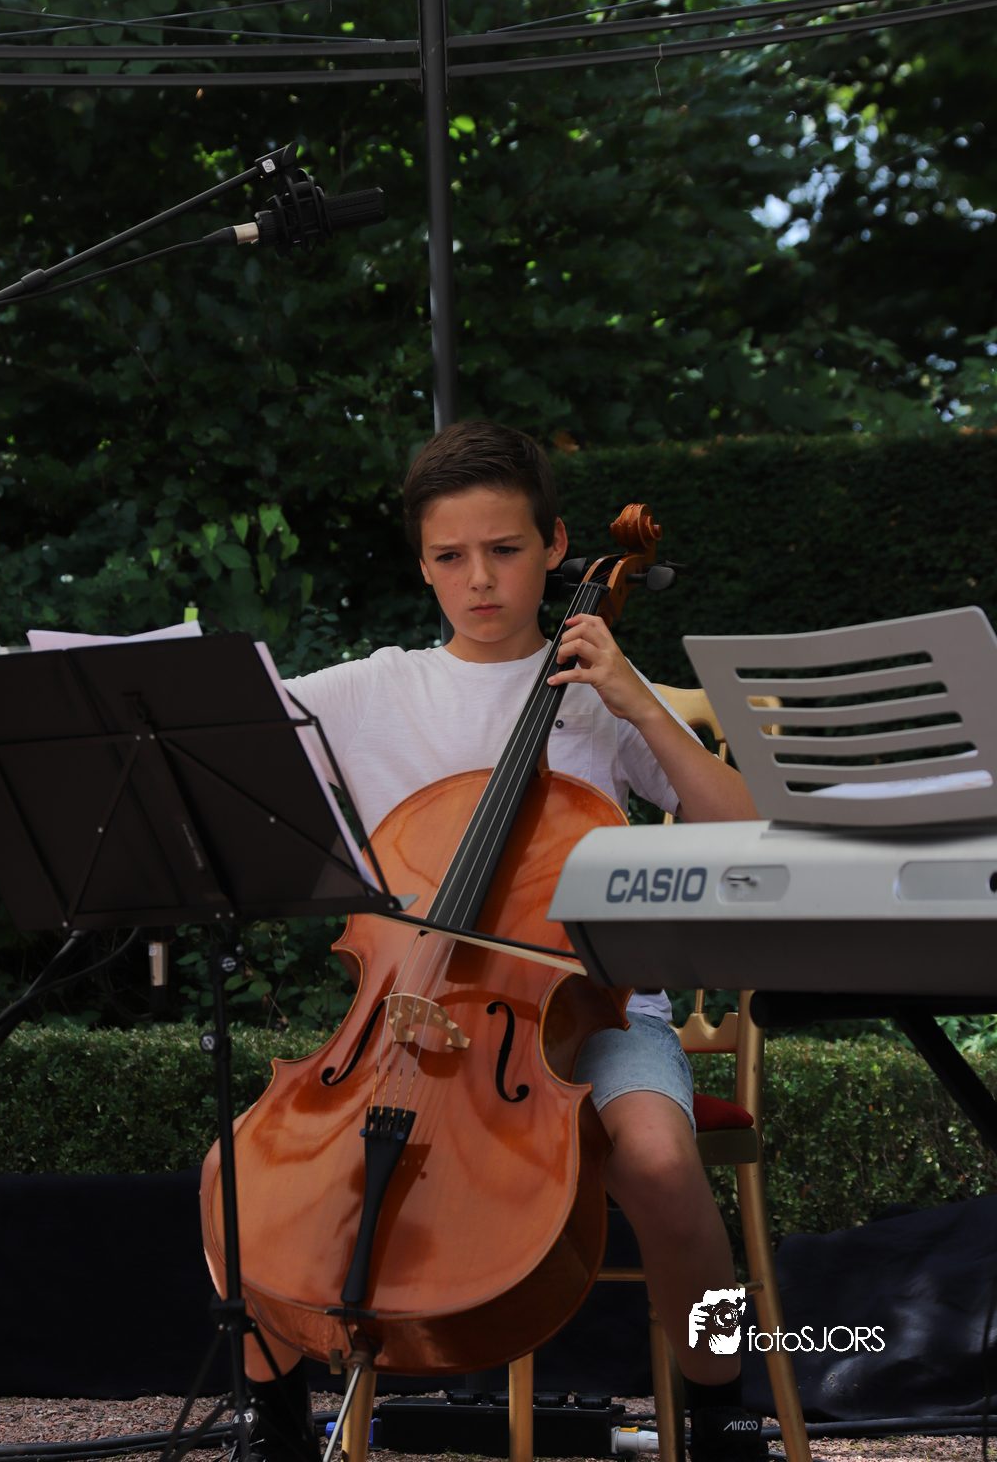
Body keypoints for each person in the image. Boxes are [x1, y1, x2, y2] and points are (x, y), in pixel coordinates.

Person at [252, 420, 765, 1462]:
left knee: (663, 1166)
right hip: (403, 1018)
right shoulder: (368, 689)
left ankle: (721, 1410)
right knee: (260, 1173)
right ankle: (272, 1422)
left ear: (555, 545)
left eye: (504, 549)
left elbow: (747, 827)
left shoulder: (601, 694)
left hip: (597, 1013)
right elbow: (237, 748)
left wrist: (637, 702)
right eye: (450, 557)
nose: (478, 580)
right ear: (422, 564)